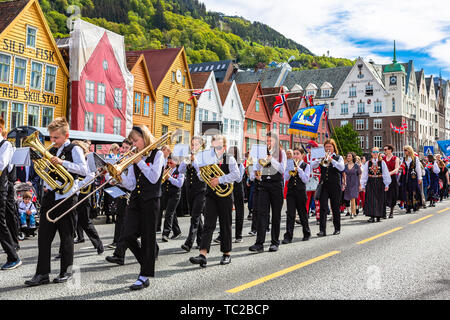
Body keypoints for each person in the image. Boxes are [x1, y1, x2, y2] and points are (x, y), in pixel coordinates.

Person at [25, 117, 88, 286]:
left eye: (56, 138)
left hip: (66, 198)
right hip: (51, 197)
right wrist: (39, 164)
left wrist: (63, 162)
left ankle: (66, 272)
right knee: (43, 237)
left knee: (66, 237)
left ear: (66, 135)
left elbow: (84, 169)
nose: (52, 141)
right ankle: (42, 274)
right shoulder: (52, 150)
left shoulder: (74, 149)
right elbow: (46, 172)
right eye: (51, 137)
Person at [108, 125, 164, 290]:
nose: (133, 144)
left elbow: (154, 178)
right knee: (127, 235)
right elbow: (132, 184)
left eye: (135, 140)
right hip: (136, 199)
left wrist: (139, 161)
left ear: (145, 138)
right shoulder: (134, 157)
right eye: (131, 141)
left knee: (148, 238)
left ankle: (143, 275)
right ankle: (147, 264)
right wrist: (119, 178)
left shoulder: (157, 154)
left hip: (151, 200)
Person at [189, 135, 240, 267]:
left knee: (225, 224)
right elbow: (201, 177)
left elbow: (237, 175)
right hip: (211, 194)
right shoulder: (207, 159)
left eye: (217, 146)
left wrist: (220, 180)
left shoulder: (230, 158)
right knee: (208, 224)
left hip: (225, 195)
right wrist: (201, 172)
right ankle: (203, 254)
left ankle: (226, 253)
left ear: (223, 147)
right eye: (213, 146)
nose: (215, 149)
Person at [249, 132, 287, 253]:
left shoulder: (281, 153)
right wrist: (255, 170)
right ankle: (259, 243)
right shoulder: (262, 153)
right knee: (262, 214)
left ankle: (275, 242)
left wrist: (271, 159)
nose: (269, 143)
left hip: (276, 185)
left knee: (276, 215)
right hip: (264, 184)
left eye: (271, 141)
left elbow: (282, 169)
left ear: (276, 141)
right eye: (267, 141)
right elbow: (257, 167)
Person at [72, 140, 104, 255]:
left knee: (85, 221)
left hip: (83, 192)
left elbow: (91, 175)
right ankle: (65, 250)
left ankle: (98, 244)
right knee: (71, 221)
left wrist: (78, 186)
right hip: (73, 192)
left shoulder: (89, 158)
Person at [311, 139, 345, 237]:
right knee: (323, 208)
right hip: (324, 185)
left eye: (330, 146)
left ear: (334, 147)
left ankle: (337, 228)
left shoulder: (338, 157)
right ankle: (322, 230)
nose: (328, 148)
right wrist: (318, 158)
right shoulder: (322, 157)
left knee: (335, 207)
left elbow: (342, 168)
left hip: (335, 185)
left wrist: (331, 160)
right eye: (326, 147)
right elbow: (312, 165)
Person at [0, 117, 22, 270]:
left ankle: (13, 256)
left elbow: (2, 165)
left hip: (2, 187)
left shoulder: (6, 145)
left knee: (2, 221)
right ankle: (13, 247)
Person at [179, 136, 206, 252]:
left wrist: (194, 161)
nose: (193, 146)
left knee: (195, 216)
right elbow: (180, 170)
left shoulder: (205, 156)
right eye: (192, 144)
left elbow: (202, 174)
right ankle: (201, 241)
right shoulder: (189, 156)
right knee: (196, 215)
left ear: (201, 145)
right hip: (190, 189)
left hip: (201, 189)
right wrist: (186, 161)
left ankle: (188, 243)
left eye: (196, 144)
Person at [108, 138, 132, 249]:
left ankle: (123, 242)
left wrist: (119, 178)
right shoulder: (121, 159)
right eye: (123, 147)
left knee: (127, 219)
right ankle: (117, 241)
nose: (123, 150)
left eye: (126, 147)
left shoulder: (132, 161)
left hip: (129, 191)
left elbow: (130, 180)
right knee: (120, 217)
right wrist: (113, 180)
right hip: (120, 189)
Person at [283, 148, 310, 243]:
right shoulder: (289, 164)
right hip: (291, 192)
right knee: (290, 214)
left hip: (301, 192)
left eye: (297, 154)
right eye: (294, 154)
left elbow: (305, 180)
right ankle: (288, 236)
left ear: (302, 155)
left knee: (302, 213)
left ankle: (306, 232)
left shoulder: (306, 165)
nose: (295, 156)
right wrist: (290, 170)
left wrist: (299, 170)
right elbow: (286, 177)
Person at [361, 147, 391, 222]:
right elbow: (364, 174)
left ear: (378, 153)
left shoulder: (382, 162)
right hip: (370, 181)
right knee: (371, 199)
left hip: (379, 181)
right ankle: (372, 216)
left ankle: (378, 215)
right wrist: (363, 185)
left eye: (376, 152)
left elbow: (385, 173)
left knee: (379, 199)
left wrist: (386, 184)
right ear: (371, 153)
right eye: (373, 152)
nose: (375, 154)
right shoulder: (368, 163)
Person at [161, 156, 184, 242]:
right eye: (168, 163)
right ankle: (177, 231)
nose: (169, 165)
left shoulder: (180, 171)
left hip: (175, 194)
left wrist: (169, 178)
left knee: (168, 213)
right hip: (166, 194)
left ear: (176, 162)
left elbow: (180, 184)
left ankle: (165, 233)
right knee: (172, 213)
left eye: (171, 163)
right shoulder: (166, 169)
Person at [399, 146, 422, 213]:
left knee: (414, 190)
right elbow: (401, 169)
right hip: (405, 177)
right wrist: (401, 169)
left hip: (413, 177)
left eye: (406, 150)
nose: (405, 152)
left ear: (409, 150)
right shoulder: (403, 159)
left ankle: (415, 205)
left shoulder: (415, 158)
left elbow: (418, 168)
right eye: (404, 150)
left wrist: (419, 177)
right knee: (406, 192)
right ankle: (408, 207)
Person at [229, 146, 245, 243]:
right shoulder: (227, 163)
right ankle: (223, 234)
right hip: (228, 189)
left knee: (239, 213)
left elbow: (238, 178)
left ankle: (239, 235)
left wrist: (229, 176)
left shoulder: (241, 165)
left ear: (235, 154)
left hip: (237, 189)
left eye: (231, 152)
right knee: (226, 213)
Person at [382, 145, 400, 219]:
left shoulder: (395, 158)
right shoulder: (383, 159)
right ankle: (384, 212)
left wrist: (389, 173)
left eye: (385, 149)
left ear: (390, 150)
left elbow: (396, 169)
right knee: (384, 194)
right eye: (384, 149)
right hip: (384, 178)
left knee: (392, 194)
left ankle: (391, 212)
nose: (384, 151)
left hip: (392, 178)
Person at [342, 152, 361, 219]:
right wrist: (344, 183)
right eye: (347, 156)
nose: (348, 157)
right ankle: (354, 211)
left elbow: (359, 175)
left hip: (355, 183)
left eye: (349, 156)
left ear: (352, 157)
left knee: (352, 198)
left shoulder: (356, 166)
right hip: (348, 183)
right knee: (348, 198)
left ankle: (352, 213)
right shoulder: (345, 166)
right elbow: (343, 175)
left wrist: (360, 184)